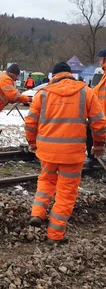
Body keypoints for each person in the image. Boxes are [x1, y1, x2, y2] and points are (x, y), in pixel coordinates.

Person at [25, 62, 106, 244]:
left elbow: (30, 123)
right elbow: (99, 124)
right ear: (71, 75)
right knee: (66, 192)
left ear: (54, 75)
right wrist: (99, 145)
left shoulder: (42, 94)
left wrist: (32, 143)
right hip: (72, 154)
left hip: (47, 152)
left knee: (46, 181)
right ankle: (55, 235)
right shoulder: (86, 92)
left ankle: (37, 213)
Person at [85, 49, 106, 167]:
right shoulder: (103, 75)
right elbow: (95, 92)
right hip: (101, 115)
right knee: (89, 128)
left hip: (103, 117)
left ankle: (93, 158)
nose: (99, 61)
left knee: (90, 129)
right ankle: (93, 157)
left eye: (100, 59)